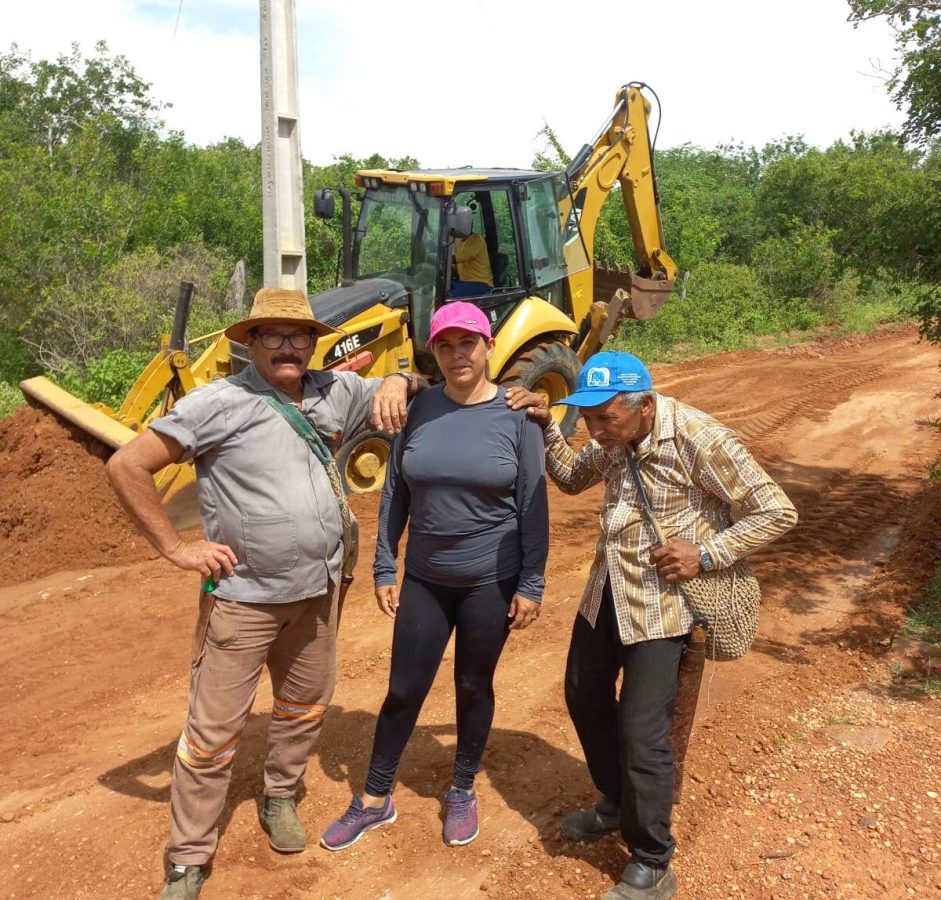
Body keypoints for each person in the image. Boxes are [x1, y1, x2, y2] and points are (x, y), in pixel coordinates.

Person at [106, 287, 421, 900]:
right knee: (210, 734)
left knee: (304, 706)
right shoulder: (217, 403)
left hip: (318, 595)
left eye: (299, 335)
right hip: (242, 599)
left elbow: (413, 384)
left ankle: (281, 795)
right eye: (273, 335)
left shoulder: (336, 391)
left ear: (313, 343)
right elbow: (126, 465)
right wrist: (176, 548)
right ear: (250, 342)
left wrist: (397, 379)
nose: (287, 346)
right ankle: (188, 858)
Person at [506, 351, 797, 900]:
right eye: (587, 417)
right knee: (583, 695)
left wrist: (705, 554)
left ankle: (652, 858)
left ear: (644, 405)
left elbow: (776, 510)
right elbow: (570, 478)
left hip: (664, 606)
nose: (595, 430)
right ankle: (617, 801)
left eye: (605, 418)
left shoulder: (698, 438)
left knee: (643, 732)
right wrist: (546, 426)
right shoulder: (611, 433)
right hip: (608, 590)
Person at [320, 301, 549, 851]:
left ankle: (462, 788)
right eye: (445, 345)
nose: (456, 354)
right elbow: (396, 492)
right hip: (424, 578)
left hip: (490, 580)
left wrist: (531, 583)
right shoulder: (418, 408)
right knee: (404, 689)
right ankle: (374, 797)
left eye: (467, 343)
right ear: (434, 353)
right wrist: (384, 564)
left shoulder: (519, 416)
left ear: (489, 346)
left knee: (473, 685)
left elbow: (533, 505)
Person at [450, 231, 494, 298]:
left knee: (449, 294)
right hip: (466, 283)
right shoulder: (460, 243)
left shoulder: (477, 239)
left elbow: (461, 258)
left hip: (482, 284)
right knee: (443, 287)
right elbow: (458, 266)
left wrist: (439, 258)